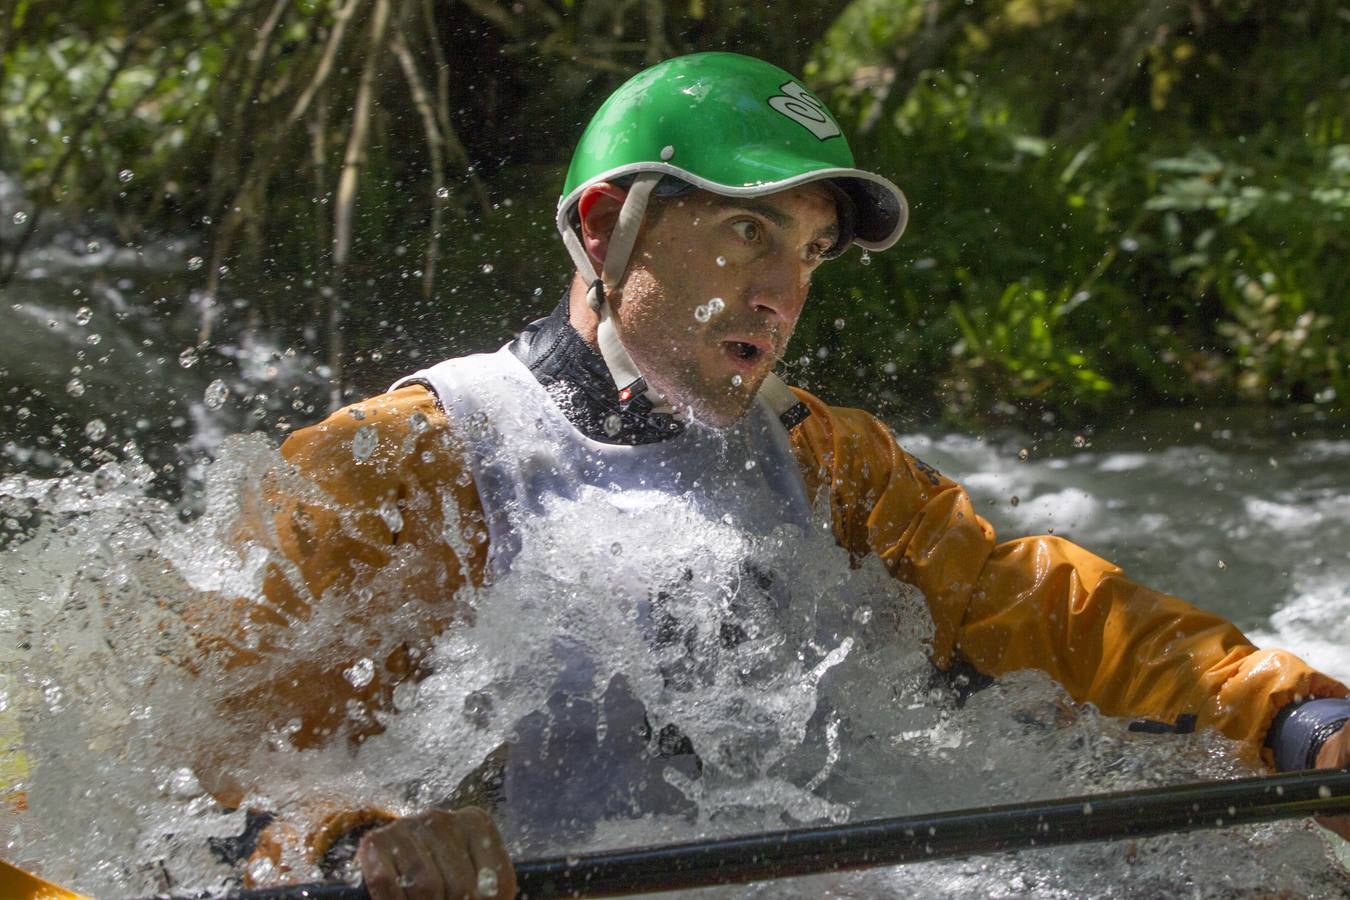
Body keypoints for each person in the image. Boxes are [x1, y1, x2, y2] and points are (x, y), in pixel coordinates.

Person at [186, 53, 1350, 897]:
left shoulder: (823, 456)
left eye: (809, 250)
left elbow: (1035, 607)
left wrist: (1299, 719)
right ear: (606, 227)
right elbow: (217, 767)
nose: (784, 291)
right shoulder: (400, 464)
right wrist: (358, 840)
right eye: (748, 230)